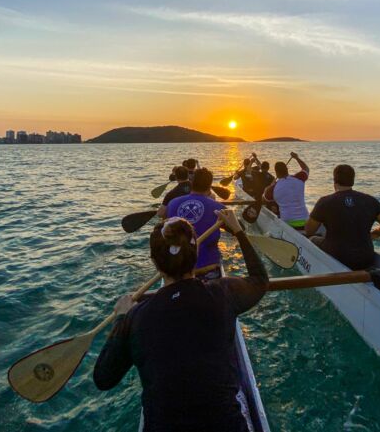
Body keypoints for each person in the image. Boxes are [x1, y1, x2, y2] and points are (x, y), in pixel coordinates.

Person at [93, 209, 268, 432]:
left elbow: (103, 378)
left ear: (154, 261)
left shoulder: (136, 318)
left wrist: (121, 318)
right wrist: (238, 231)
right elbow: (260, 280)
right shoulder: (223, 293)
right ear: (194, 256)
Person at [304, 164, 380, 270]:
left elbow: (309, 230)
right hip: (366, 257)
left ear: (335, 181)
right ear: (352, 180)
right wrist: (375, 233)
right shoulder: (370, 200)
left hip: (337, 255)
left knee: (312, 239)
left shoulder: (325, 202)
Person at [166, 168, 225, 278]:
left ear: (191, 183)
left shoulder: (172, 203)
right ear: (210, 186)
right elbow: (239, 229)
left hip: (178, 266)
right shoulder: (219, 208)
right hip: (209, 268)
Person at [263, 151, 309, 229]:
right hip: (306, 222)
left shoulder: (273, 188)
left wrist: (270, 186)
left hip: (288, 225)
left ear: (276, 173)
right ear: (287, 169)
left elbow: (264, 199)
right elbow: (306, 169)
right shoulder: (299, 178)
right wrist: (296, 158)